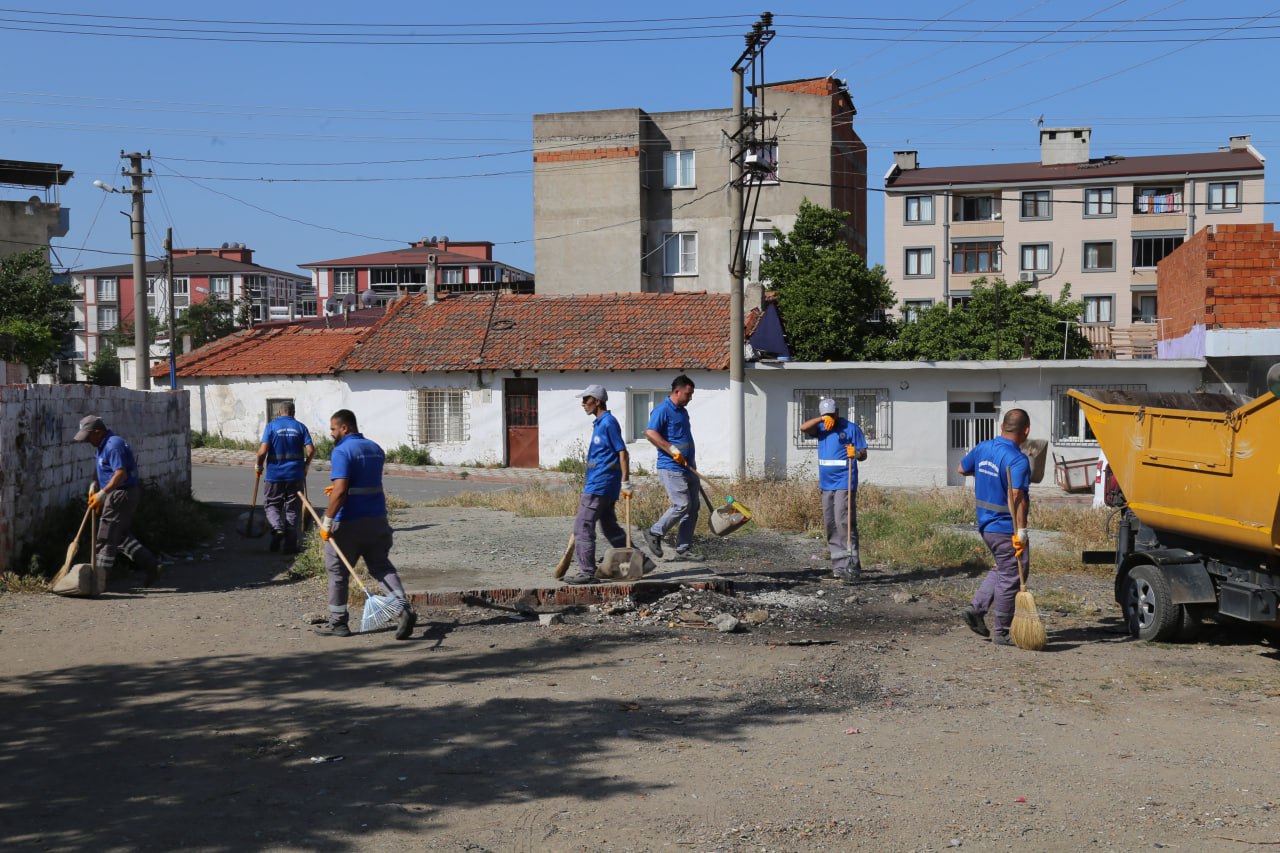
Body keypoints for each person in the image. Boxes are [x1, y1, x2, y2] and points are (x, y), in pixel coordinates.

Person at [315, 409, 416, 640]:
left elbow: (340, 491)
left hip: (348, 524)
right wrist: (343, 490)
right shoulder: (375, 448)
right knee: (381, 567)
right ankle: (403, 609)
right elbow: (362, 483)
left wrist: (327, 521)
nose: (331, 433)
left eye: (333, 429)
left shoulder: (342, 451)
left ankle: (338, 623)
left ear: (344, 428)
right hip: (377, 520)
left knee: (338, 573)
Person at [958, 408, 1032, 647]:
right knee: (1012, 575)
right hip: (1004, 527)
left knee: (1003, 569)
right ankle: (1002, 632)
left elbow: (962, 468)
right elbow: (1016, 497)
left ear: (1002, 426)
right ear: (1026, 431)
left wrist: (983, 473)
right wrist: (1021, 532)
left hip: (986, 524)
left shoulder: (983, 448)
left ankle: (976, 609)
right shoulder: (1017, 459)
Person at [73, 415, 160, 586]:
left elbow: (121, 474)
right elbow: (103, 468)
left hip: (121, 494)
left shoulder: (113, 445)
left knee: (105, 537)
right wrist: (94, 484)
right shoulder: (102, 444)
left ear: (98, 432)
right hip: (118, 493)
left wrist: (103, 494)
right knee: (119, 536)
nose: (87, 441)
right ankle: (151, 565)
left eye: (88, 437)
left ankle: (99, 580)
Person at [562, 384, 631, 585]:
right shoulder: (600, 423)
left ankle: (587, 572)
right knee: (609, 526)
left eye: (586, 400)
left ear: (597, 401)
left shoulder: (608, 423)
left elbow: (622, 452)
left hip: (601, 484)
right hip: (601, 483)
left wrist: (626, 481)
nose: (583, 404)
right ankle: (639, 562)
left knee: (583, 525)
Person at [800, 398, 869, 583]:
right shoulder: (822, 428)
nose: (831, 418)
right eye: (827, 414)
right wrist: (822, 420)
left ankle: (852, 566)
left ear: (838, 412)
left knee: (843, 522)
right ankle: (838, 568)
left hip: (844, 482)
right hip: (826, 484)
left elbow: (864, 454)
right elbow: (803, 428)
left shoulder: (851, 428)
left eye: (832, 414)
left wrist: (856, 453)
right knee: (830, 523)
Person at [643, 374, 702, 561]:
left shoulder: (682, 411)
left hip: (688, 467)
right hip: (671, 467)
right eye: (688, 394)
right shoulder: (662, 410)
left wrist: (691, 461)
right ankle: (654, 532)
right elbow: (650, 433)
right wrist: (672, 450)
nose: (690, 398)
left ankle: (683, 550)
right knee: (682, 505)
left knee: (693, 508)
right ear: (677, 391)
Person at [255, 401, 314, 554]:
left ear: (280, 412)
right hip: (296, 475)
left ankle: (277, 528)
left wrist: (259, 465)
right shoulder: (301, 427)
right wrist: (306, 465)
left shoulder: (271, 427)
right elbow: (311, 450)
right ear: (293, 412)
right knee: (293, 510)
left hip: (275, 475)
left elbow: (262, 452)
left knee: (271, 505)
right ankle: (290, 546)